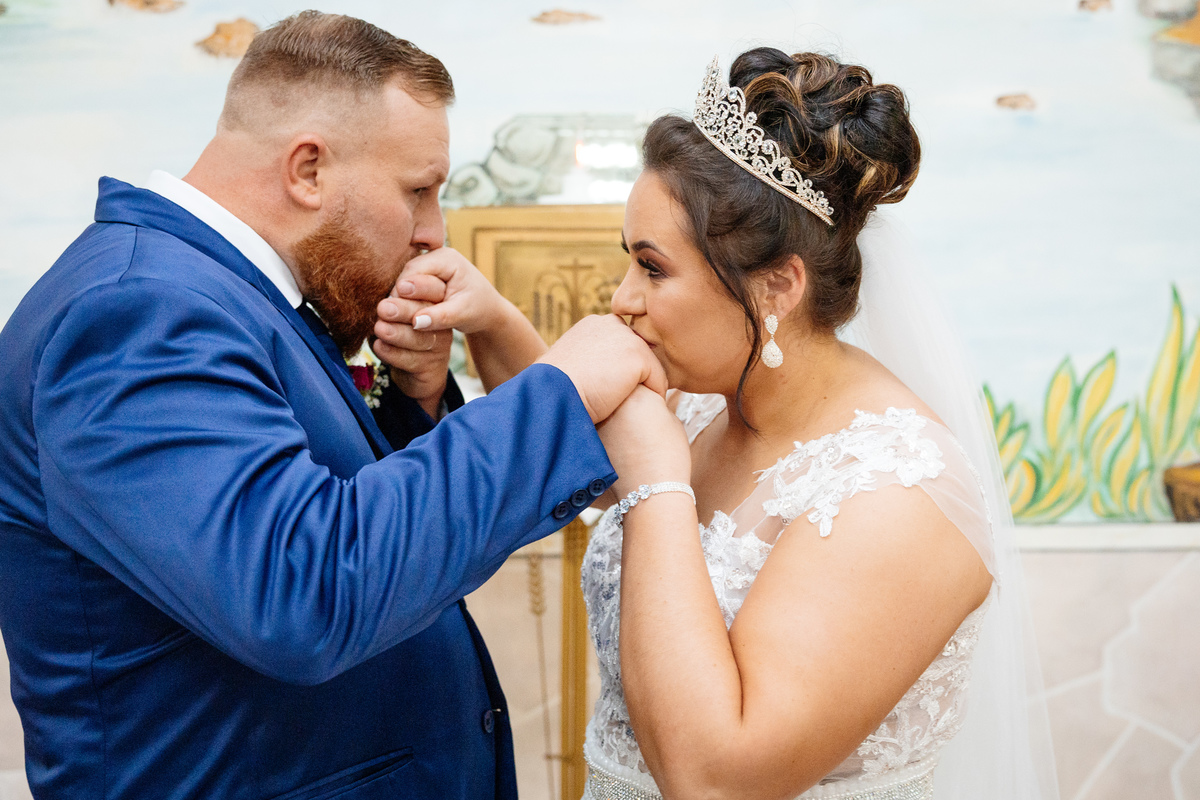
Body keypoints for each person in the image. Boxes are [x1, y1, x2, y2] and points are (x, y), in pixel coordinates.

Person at [0, 11, 666, 800]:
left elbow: (310, 497)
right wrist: (557, 393)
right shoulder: (133, 316)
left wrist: (410, 401)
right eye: (418, 191)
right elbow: (298, 592)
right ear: (308, 169)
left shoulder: (212, 294)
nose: (433, 233)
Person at [404, 48, 1059, 800]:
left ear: (777, 286)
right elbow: (578, 436)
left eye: (652, 269)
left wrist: (655, 482)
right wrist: (490, 319)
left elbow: (718, 778)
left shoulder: (898, 494)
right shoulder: (707, 401)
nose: (622, 300)